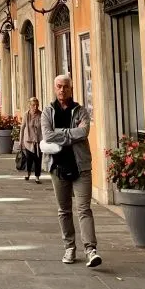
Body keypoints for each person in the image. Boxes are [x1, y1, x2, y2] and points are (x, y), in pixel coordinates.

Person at [41, 74, 101, 268]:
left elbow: (84, 132)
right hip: (57, 167)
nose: (62, 90)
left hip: (80, 166)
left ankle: (91, 250)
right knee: (64, 210)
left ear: (71, 88)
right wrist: (70, 134)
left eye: (65, 86)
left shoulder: (81, 110)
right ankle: (69, 247)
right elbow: (47, 136)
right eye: (58, 86)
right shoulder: (47, 112)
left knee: (84, 208)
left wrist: (61, 133)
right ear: (54, 88)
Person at [19, 96, 43, 183]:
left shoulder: (41, 114)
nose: (35, 107)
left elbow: (44, 127)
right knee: (29, 159)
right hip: (28, 141)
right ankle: (28, 173)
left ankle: (37, 177)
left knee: (38, 159)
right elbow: (22, 128)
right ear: (29, 106)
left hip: (38, 141)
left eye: (37, 105)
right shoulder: (26, 114)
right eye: (33, 105)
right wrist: (20, 141)